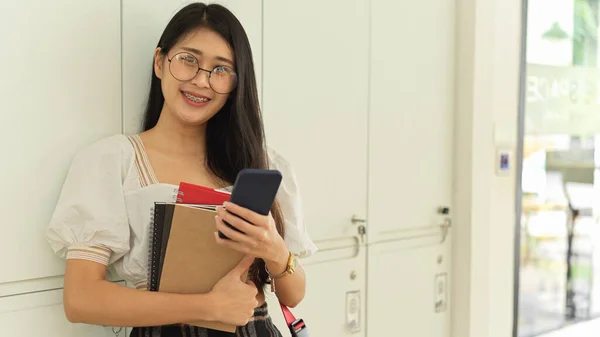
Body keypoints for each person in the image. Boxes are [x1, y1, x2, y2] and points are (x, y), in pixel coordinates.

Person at [45, 2, 317, 337]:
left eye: (221, 70)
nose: (202, 81)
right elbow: (81, 299)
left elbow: (294, 294)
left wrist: (276, 250)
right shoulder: (112, 161)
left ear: (235, 83)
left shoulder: (259, 163)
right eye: (189, 60)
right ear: (160, 62)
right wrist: (209, 307)